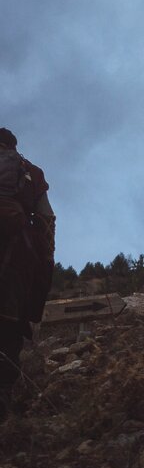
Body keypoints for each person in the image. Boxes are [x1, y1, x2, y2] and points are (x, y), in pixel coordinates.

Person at [0, 128, 54, 420]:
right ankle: (4, 405)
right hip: (18, 258)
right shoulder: (31, 171)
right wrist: (46, 257)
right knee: (10, 326)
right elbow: (46, 218)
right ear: (13, 146)